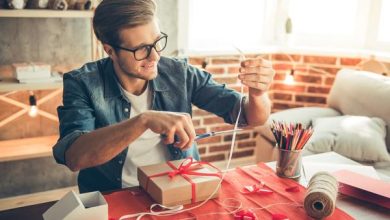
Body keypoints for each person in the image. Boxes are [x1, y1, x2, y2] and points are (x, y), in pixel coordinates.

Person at [53, 0, 275, 193]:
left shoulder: (180, 73)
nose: (156, 56)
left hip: (180, 188)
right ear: (110, 50)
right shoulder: (82, 82)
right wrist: (144, 120)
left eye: (157, 42)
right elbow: (75, 157)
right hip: (114, 196)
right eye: (141, 49)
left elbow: (252, 117)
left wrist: (258, 93)